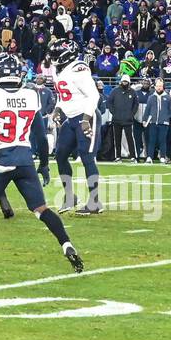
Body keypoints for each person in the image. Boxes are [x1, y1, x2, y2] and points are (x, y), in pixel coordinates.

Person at [0, 53, 82, 275]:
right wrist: (44, 164)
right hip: (25, 160)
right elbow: (40, 136)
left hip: (1, 161)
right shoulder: (31, 95)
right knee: (41, 209)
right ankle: (66, 244)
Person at [50, 40, 102, 213]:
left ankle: (95, 202)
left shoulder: (78, 68)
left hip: (85, 116)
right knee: (60, 155)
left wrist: (87, 118)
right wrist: (57, 109)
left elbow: (93, 95)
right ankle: (70, 196)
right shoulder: (59, 70)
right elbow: (64, 95)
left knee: (87, 157)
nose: (54, 58)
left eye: (57, 54)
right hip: (71, 118)